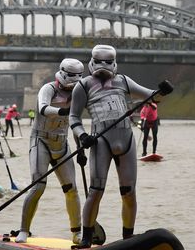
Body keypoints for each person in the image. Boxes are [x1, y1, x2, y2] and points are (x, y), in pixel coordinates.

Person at [69, 45, 162, 247]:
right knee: (96, 191)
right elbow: (74, 116)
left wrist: (163, 90)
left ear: (114, 62)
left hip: (126, 140)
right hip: (100, 141)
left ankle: (128, 239)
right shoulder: (83, 86)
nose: (103, 66)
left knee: (129, 193)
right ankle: (86, 238)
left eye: (108, 62)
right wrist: (82, 135)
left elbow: (151, 96)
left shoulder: (124, 81)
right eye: (99, 61)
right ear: (92, 61)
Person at [16, 58, 84, 244]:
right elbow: (43, 108)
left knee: (72, 189)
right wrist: (65, 112)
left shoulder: (78, 93)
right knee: (38, 186)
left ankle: (77, 232)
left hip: (62, 144)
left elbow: (76, 121)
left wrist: (81, 149)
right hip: (41, 141)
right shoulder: (48, 89)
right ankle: (24, 230)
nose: (72, 87)